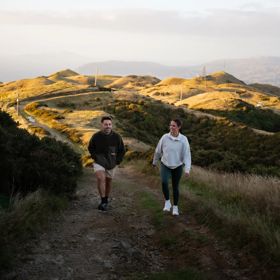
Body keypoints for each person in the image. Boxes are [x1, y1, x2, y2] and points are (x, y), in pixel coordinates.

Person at [152, 119, 191, 216]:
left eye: (173, 126)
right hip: (165, 164)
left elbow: (187, 155)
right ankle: (167, 202)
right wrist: (154, 161)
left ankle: (175, 207)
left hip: (177, 166)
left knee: (175, 187)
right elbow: (158, 150)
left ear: (179, 127)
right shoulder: (165, 137)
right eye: (170, 125)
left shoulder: (183, 139)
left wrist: (187, 169)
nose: (171, 127)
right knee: (164, 181)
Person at [88, 116, 125, 211]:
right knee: (101, 179)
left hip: (111, 163)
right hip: (99, 162)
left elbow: (122, 150)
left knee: (108, 182)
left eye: (109, 124)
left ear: (111, 125)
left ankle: (106, 199)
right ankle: (103, 201)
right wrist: (95, 157)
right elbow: (90, 148)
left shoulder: (117, 137)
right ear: (102, 125)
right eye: (106, 124)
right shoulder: (96, 136)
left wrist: (118, 161)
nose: (108, 126)